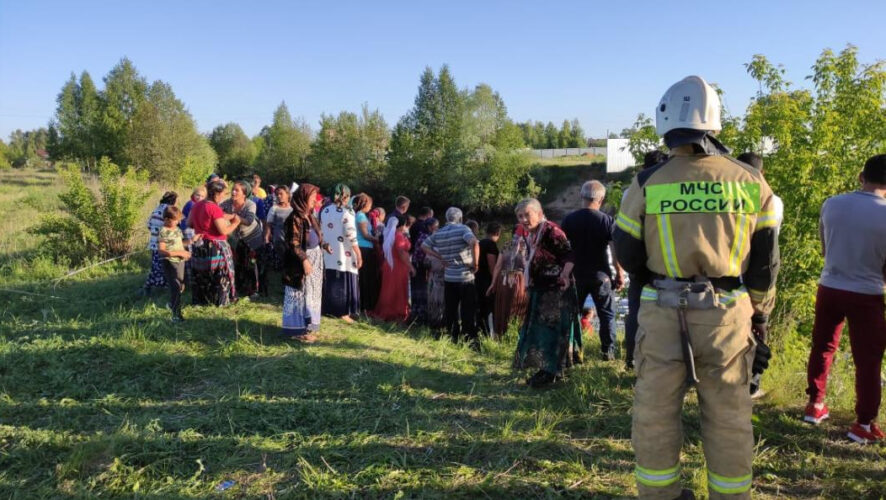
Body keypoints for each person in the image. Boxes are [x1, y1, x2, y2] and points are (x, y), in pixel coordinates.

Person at [614, 75, 779, 499]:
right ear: (713, 124)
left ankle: (660, 495)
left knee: (654, 413)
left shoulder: (648, 182)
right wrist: (759, 313)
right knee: (728, 415)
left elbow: (626, 251)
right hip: (726, 315)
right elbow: (764, 262)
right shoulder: (749, 180)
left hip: (662, 311)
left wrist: (655, 277)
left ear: (666, 124)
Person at [803, 154, 886, 444]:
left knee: (823, 346)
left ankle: (814, 405)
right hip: (868, 293)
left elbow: (826, 250)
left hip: (830, 287)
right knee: (868, 360)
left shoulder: (832, 204)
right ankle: (863, 423)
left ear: (861, 177)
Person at [512, 198, 581, 387]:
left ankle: (552, 372)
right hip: (541, 289)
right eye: (520, 216)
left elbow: (569, 254)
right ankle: (547, 370)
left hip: (556, 290)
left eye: (527, 214)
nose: (524, 219)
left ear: (539, 213)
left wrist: (565, 275)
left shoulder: (551, 230)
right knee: (540, 332)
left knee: (551, 333)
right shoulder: (532, 234)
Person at [737, 152, 785, 397]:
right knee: (760, 323)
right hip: (762, 271)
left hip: (735, 271)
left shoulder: (731, 194)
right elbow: (769, 250)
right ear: (762, 173)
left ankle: (741, 375)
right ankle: (753, 380)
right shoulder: (773, 200)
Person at [561, 180, 624, 361]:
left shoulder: (569, 220)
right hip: (601, 276)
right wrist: (619, 273)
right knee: (606, 316)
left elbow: (563, 250)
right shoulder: (607, 221)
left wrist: (563, 273)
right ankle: (608, 353)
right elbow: (614, 251)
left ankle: (571, 352)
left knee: (572, 314)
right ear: (601, 199)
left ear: (582, 197)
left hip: (575, 275)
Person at [622, 151, 667, 369]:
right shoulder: (668, 186)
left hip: (640, 264)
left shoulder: (633, 190)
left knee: (635, 313)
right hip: (665, 264)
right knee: (666, 315)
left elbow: (624, 233)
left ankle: (631, 358)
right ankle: (659, 362)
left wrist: (631, 267)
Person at [422, 207, 480, 350]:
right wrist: (475, 263)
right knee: (468, 309)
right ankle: (469, 339)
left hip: (449, 277)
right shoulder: (463, 229)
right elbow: (474, 243)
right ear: (460, 218)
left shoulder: (439, 232)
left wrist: (440, 257)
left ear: (447, 218)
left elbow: (424, 246)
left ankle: (453, 336)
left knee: (451, 309)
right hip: (465, 277)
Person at [282, 183, 330, 342]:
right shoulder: (295, 218)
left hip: (314, 259)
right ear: (303, 198)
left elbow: (316, 236)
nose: (314, 200)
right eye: (311, 197)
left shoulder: (310, 215)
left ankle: (309, 326)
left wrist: (324, 245)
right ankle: (296, 331)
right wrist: (304, 260)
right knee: (299, 294)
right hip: (299, 263)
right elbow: (293, 242)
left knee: (312, 294)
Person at [189, 180, 241, 306]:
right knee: (220, 275)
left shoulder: (197, 205)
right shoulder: (214, 208)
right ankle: (220, 301)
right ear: (217, 194)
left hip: (199, 244)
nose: (224, 196)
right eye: (223, 193)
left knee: (201, 274)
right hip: (214, 245)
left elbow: (189, 223)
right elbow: (223, 230)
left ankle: (201, 301)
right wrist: (235, 223)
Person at [320, 184, 362, 322]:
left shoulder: (324, 210)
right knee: (343, 280)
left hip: (328, 252)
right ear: (346, 196)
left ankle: (328, 309)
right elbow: (350, 233)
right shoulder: (347, 211)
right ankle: (343, 313)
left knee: (330, 280)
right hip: (344, 253)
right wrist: (358, 252)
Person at [221, 180, 266, 299]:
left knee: (253, 264)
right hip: (238, 238)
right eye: (233, 189)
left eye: (237, 190)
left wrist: (233, 217)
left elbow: (249, 220)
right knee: (240, 263)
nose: (233, 192)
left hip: (253, 237)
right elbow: (217, 213)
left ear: (244, 194)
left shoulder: (250, 204)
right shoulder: (227, 203)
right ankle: (241, 288)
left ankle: (255, 290)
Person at [157, 206, 199, 322]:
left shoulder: (177, 229)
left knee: (181, 286)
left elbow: (180, 243)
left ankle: (171, 304)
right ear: (167, 219)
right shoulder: (163, 231)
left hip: (180, 261)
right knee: (175, 287)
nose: (178, 222)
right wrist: (179, 252)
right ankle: (176, 315)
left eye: (179, 219)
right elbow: (161, 251)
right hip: (170, 262)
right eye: (176, 220)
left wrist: (191, 241)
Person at [371, 214, 414, 322]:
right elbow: (400, 252)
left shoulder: (392, 235)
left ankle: (390, 310)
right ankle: (396, 312)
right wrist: (411, 266)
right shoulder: (398, 236)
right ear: (403, 224)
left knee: (389, 289)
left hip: (390, 265)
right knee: (396, 289)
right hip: (397, 266)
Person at [488, 225, 529, 337]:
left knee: (504, 305)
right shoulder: (527, 246)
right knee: (518, 305)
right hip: (519, 280)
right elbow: (527, 267)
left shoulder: (506, 245)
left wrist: (493, 283)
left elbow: (498, 266)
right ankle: (517, 334)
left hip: (504, 279)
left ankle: (502, 333)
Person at [140, 191, 178, 296]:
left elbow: (148, 225)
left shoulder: (156, 209)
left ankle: (150, 287)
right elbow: (174, 225)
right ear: (173, 201)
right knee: (164, 267)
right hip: (163, 244)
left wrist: (155, 232)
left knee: (156, 266)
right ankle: (159, 287)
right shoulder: (169, 210)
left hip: (154, 243)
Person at [353, 193, 381, 312]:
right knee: (366, 277)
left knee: (365, 277)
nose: (370, 207)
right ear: (364, 204)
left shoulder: (359, 215)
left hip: (364, 247)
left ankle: (364, 304)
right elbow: (365, 234)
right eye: (369, 204)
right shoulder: (361, 216)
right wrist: (378, 239)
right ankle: (365, 304)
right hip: (364, 248)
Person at [476, 223, 501, 337]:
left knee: (480, 306)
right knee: (488, 306)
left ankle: (479, 330)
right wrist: (495, 281)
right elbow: (492, 265)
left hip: (477, 278)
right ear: (497, 233)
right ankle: (488, 333)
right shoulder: (491, 245)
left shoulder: (480, 242)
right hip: (487, 279)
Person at [264, 185, 293, 271]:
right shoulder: (274, 208)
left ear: (288, 194)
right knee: (284, 259)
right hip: (279, 239)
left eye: (281, 194)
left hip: (291, 239)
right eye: (277, 194)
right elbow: (268, 224)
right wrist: (267, 236)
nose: (279, 196)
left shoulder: (293, 208)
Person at [424, 219, 446, 331]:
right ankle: (437, 323)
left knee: (435, 300)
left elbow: (426, 263)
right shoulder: (443, 248)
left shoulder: (432, 249)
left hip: (436, 277)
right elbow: (427, 263)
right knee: (437, 300)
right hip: (437, 277)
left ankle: (435, 322)